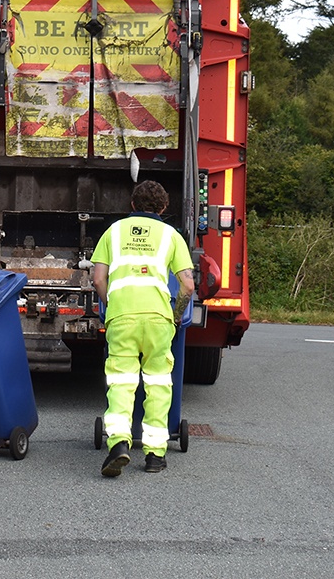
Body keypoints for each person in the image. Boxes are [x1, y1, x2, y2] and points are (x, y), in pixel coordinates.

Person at [91, 180, 194, 477]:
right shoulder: (172, 235)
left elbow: (99, 279)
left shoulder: (113, 232)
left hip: (122, 315)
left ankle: (120, 444)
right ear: (163, 208)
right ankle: (154, 455)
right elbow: (187, 284)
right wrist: (175, 316)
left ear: (132, 205)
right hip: (158, 318)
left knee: (121, 383)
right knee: (159, 385)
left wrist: (112, 305)